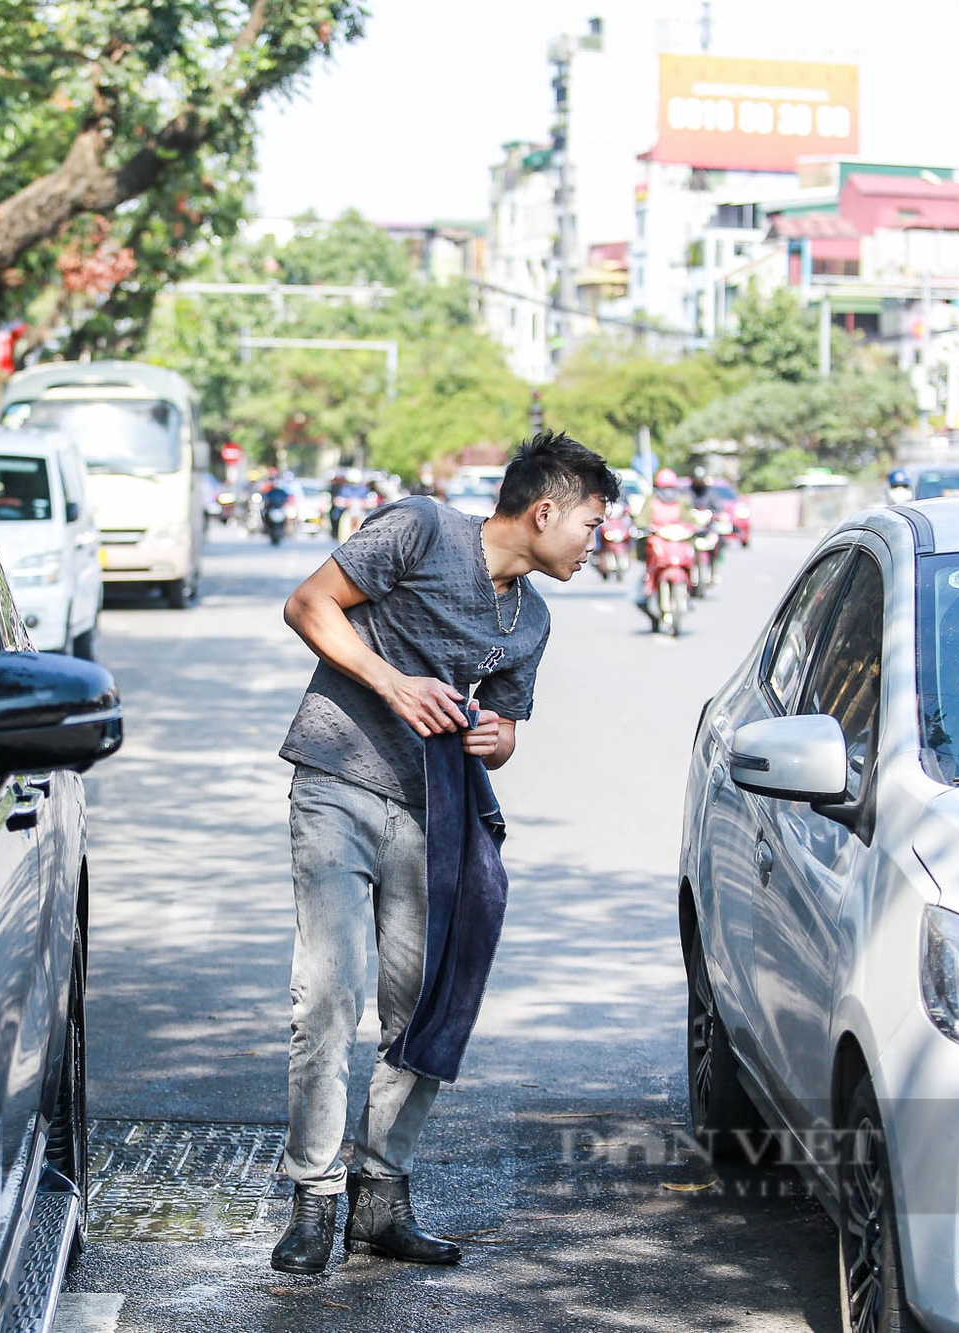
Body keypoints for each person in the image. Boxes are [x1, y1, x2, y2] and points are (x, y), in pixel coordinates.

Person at [270, 431, 616, 1276]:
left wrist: (499, 741)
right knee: (327, 992)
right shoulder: (421, 529)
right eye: (592, 524)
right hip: (338, 782)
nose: (597, 542)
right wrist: (391, 682)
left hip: (437, 817)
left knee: (421, 1003)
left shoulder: (530, 618)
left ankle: (381, 1198)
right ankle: (313, 1197)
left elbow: (498, 734)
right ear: (544, 511)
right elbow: (308, 604)